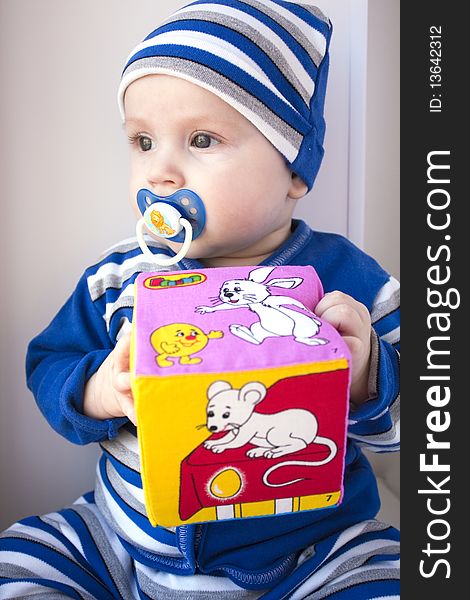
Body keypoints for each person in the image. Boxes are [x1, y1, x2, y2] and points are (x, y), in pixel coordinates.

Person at [0, 1, 400, 598]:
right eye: (141, 140)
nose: (159, 172)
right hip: (126, 544)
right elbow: (47, 363)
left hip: (311, 552)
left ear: (293, 170)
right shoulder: (118, 280)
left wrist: (367, 372)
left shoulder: (348, 278)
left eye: (202, 139)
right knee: (21, 562)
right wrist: (97, 389)